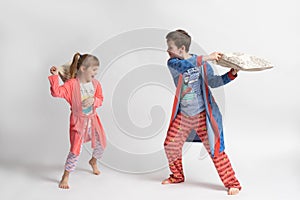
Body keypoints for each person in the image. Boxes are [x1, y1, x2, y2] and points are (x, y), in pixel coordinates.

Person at [162, 29, 241, 195]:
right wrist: (207, 57)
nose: (167, 50)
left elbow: (214, 82)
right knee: (170, 145)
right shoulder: (173, 63)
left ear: (181, 48)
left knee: (215, 149)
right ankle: (177, 176)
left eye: (170, 47)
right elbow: (186, 65)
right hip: (183, 116)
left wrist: (231, 74)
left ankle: (232, 183)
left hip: (202, 116)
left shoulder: (203, 64)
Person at [48, 53, 106, 189]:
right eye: (93, 70)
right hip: (78, 123)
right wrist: (55, 76)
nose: (96, 73)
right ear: (83, 69)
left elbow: (100, 99)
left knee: (101, 144)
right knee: (75, 150)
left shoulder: (96, 84)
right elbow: (56, 92)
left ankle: (93, 161)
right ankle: (66, 175)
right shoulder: (71, 85)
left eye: (97, 70)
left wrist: (94, 100)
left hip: (93, 120)